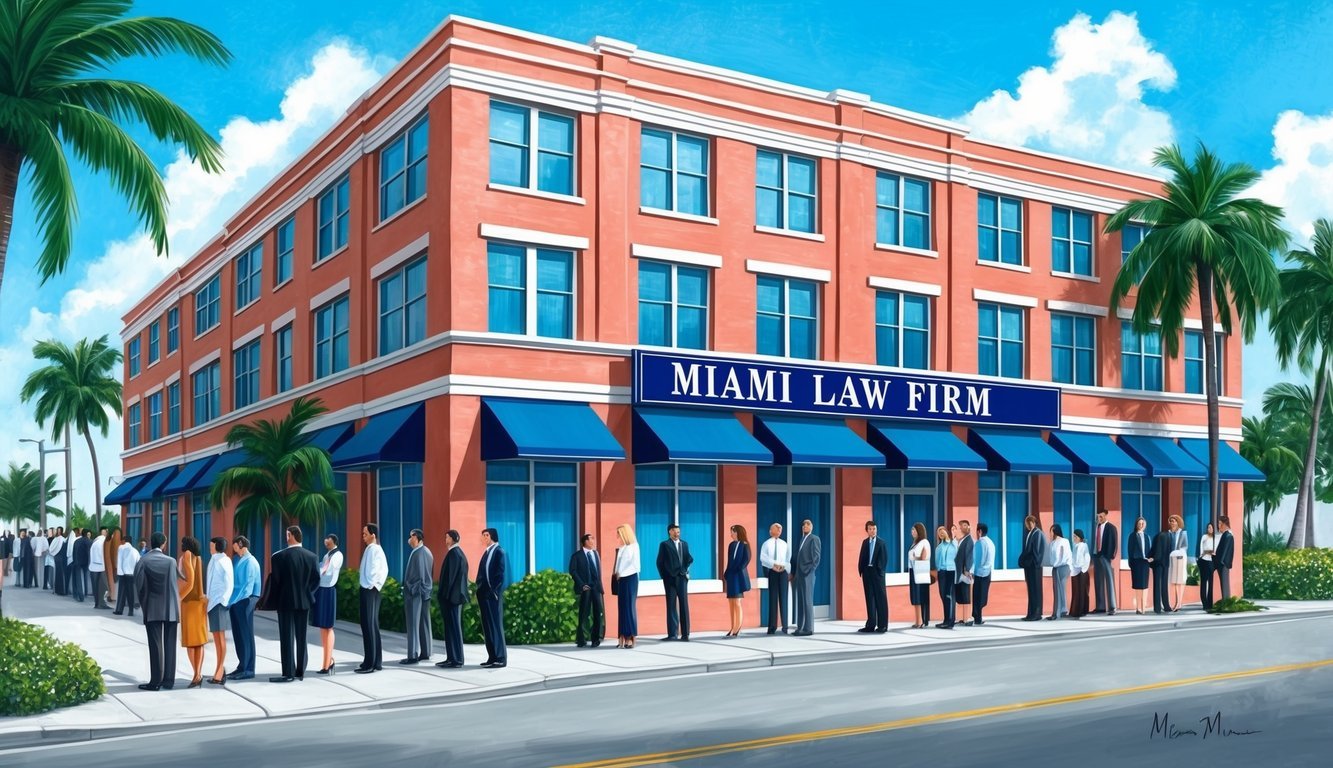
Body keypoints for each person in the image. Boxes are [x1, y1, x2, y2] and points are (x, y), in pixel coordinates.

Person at [270, 526, 320, 682]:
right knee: (302, 637)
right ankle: (301, 671)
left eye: (287, 534)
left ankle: (288, 672)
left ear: (290, 536)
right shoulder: (312, 557)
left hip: (284, 602)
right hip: (304, 602)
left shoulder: (278, 557)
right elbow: (316, 579)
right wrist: (307, 594)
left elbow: (275, 583)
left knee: (286, 638)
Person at [133, 532, 180, 691]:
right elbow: (174, 585)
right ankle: (168, 680)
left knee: (155, 645)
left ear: (151, 543)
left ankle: (155, 682)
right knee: (170, 644)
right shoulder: (171, 561)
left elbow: (138, 585)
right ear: (163, 544)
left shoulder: (143, 560)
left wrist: (144, 603)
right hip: (171, 608)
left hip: (152, 607)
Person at [355, 524, 388, 674]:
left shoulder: (375, 549)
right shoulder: (372, 549)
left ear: (373, 535)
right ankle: (373, 661)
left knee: (369, 625)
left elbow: (378, 570)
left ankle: (371, 664)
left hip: (370, 590)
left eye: (365, 533)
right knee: (370, 625)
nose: (363, 536)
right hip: (369, 589)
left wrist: (370, 585)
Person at [227, 536, 261, 680]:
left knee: (246, 634)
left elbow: (248, 586)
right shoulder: (236, 560)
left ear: (240, 544)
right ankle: (242, 665)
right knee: (238, 635)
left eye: (235, 545)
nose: (233, 548)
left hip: (246, 600)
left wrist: (233, 601)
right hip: (235, 601)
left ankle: (248, 669)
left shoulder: (251, 561)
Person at [400, 528, 434, 665]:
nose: (409, 539)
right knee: (424, 623)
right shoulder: (425, 552)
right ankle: (425, 652)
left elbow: (422, 575)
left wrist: (412, 589)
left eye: (410, 536)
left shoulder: (420, 553)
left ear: (416, 537)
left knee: (413, 624)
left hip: (416, 594)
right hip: (422, 593)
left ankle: (412, 655)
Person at [435, 530, 469, 668]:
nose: (445, 540)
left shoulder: (454, 554)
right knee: (450, 628)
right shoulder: (455, 553)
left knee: (454, 629)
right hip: (452, 599)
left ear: (454, 539)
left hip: (451, 599)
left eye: (447, 537)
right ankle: (451, 658)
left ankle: (457, 659)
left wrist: (444, 596)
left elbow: (450, 579)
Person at [177, 536, 207, 688]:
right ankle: (197, 673)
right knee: (198, 642)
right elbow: (199, 584)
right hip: (198, 603)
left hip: (189, 603)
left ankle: (196, 675)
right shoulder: (199, 558)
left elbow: (190, 581)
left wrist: (179, 598)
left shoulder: (187, 555)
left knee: (190, 642)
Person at [476, 527, 509, 666]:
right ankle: (492, 656)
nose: (483, 537)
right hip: (484, 595)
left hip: (493, 595)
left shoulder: (499, 552)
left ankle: (500, 658)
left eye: (486, 535)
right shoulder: (486, 552)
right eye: (483, 535)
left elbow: (500, 573)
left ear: (492, 536)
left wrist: (494, 591)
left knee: (495, 626)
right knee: (487, 627)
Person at [655, 523, 693, 642]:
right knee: (671, 606)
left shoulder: (684, 544)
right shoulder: (664, 545)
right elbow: (659, 562)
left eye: (678, 532)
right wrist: (665, 576)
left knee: (684, 605)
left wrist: (686, 570)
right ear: (670, 532)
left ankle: (685, 634)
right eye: (675, 531)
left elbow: (689, 558)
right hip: (670, 580)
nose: (677, 533)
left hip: (682, 579)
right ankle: (672, 634)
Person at [205, 537, 233, 685]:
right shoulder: (213, 560)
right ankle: (219, 670)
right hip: (211, 603)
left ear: (217, 546)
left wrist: (223, 601)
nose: (210, 547)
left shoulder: (224, 561)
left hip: (218, 604)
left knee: (220, 638)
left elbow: (229, 582)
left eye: (211, 545)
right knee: (216, 637)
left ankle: (220, 672)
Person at [568, 533, 604, 648]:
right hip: (585, 588)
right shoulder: (577, 556)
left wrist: (599, 586)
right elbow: (573, 571)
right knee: (584, 614)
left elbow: (598, 571)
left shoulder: (595, 554)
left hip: (596, 588)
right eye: (591, 539)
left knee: (597, 613)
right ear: (585, 542)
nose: (593, 541)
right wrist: (582, 585)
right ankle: (581, 639)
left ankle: (596, 639)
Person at [313, 534, 342, 674]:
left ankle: (328, 663)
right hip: (322, 590)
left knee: (328, 626)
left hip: (328, 590)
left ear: (334, 541)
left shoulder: (337, 555)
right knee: (323, 627)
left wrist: (317, 572)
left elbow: (327, 570)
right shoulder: (327, 555)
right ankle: (326, 662)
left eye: (328, 539)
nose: (325, 541)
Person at [858, 521, 889, 633]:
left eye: (874, 528)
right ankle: (870, 625)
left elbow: (884, 559)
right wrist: (861, 570)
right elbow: (862, 556)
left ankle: (883, 625)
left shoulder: (881, 543)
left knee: (881, 599)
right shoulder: (865, 542)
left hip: (877, 573)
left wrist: (880, 570)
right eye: (870, 529)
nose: (873, 531)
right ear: (867, 530)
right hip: (867, 573)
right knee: (869, 599)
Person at [759, 523, 791, 634]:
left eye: (780, 529)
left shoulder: (784, 544)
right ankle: (772, 627)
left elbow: (788, 558)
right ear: (771, 531)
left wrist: (784, 567)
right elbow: (763, 558)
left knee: (784, 599)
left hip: (783, 573)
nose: (778, 530)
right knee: (772, 599)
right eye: (775, 529)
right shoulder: (766, 544)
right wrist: (774, 565)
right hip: (772, 572)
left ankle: (785, 626)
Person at [792, 519, 821, 636]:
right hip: (799, 575)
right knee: (800, 601)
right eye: (803, 524)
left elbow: (816, 557)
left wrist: (809, 570)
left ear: (811, 527)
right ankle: (800, 627)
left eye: (807, 524)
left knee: (807, 601)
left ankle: (808, 628)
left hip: (807, 574)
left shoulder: (814, 538)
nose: (804, 526)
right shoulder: (802, 539)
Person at [612, 524, 639, 648]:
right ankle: (621, 636)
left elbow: (634, 565)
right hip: (621, 580)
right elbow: (618, 564)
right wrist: (617, 574)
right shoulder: (622, 548)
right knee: (622, 609)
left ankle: (630, 637)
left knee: (629, 608)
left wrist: (620, 573)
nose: (617, 536)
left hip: (630, 579)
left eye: (619, 533)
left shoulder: (634, 547)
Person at [723, 524, 751, 637]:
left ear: (738, 532)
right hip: (731, 576)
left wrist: (738, 568)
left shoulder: (745, 545)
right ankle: (732, 626)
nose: (731, 534)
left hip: (738, 576)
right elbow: (729, 560)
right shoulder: (731, 545)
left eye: (732, 532)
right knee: (731, 602)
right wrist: (727, 572)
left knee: (737, 602)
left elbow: (746, 559)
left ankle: (737, 628)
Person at [1018, 516, 1046, 621]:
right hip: (1029, 567)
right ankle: (1030, 613)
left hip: (1035, 567)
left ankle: (1037, 613)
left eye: (1028, 523)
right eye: (1026, 523)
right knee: (1031, 590)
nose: (1027, 525)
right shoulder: (1029, 533)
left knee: (1036, 590)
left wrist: (1030, 563)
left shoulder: (1037, 533)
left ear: (1033, 522)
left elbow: (1037, 553)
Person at [1091, 509, 1118, 615]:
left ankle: (1112, 607)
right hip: (1096, 556)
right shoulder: (1097, 527)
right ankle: (1100, 607)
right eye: (1098, 516)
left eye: (1101, 516)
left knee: (1109, 581)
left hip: (1106, 557)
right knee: (1098, 582)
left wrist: (1110, 556)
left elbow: (1114, 544)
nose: (1099, 518)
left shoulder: (1111, 528)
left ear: (1106, 515)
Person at [907, 522, 931, 629]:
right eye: (912, 530)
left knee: (919, 597)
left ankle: (921, 621)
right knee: (915, 597)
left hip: (920, 572)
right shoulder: (915, 543)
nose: (912, 532)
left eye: (914, 530)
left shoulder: (924, 542)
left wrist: (914, 558)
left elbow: (924, 557)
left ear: (919, 531)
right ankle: (917, 620)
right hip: (913, 571)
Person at [934, 525, 958, 629]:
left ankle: (950, 621)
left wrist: (953, 537)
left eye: (942, 530)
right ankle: (945, 619)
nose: (941, 533)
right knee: (943, 595)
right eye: (939, 532)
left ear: (946, 531)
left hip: (951, 572)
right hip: (942, 572)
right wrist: (938, 569)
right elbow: (936, 560)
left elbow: (957, 552)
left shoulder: (953, 544)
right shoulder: (939, 547)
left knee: (949, 596)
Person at [1047, 524, 1071, 620]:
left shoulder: (1064, 541)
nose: (1050, 533)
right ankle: (1060, 611)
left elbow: (1063, 555)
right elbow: (1051, 556)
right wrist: (1053, 564)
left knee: (1060, 589)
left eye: (1051, 531)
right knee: (1057, 590)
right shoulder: (1052, 543)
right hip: (1055, 568)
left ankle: (1058, 613)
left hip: (1063, 567)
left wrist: (1056, 564)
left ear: (1056, 531)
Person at [1128, 517, 1152, 614]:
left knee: (1144, 586)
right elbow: (1129, 550)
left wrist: (1150, 558)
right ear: (1136, 524)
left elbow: (1150, 550)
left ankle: (1144, 608)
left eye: (1143, 523)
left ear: (1145, 525)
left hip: (1145, 562)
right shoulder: (1132, 536)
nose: (1141, 525)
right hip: (1136, 562)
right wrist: (1131, 562)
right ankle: (1138, 608)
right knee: (1137, 586)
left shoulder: (1147, 536)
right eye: (1139, 523)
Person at [1149, 520, 1173, 615]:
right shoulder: (1169, 537)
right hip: (1166, 563)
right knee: (1164, 586)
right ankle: (1166, 606)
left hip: (1158, 563)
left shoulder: (1159, 536)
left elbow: (1157, 551)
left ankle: (1157, 607)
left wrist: (1153, 559)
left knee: (1157, 586)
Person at [114, 534, 141, 615]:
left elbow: (119, 561)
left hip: (123, 574)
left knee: (121, 593)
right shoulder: (135, 551)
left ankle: (119, 610)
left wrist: (119, 573)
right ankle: (131, 611)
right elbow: (138, 562)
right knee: (130, 592)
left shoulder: (121, 548)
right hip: (132, 574)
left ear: (124, 541)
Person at [954, 520, 974, 626]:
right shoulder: (962, 539)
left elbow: (969, 556)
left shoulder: (969, 540)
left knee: (966, 595)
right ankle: (963, 618)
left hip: (964, 572)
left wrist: (967, 570)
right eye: (961, 526)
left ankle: (967, 619)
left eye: (964, 525)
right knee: (961, 595)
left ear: (969, 527)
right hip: (959, 572)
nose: (962, 527)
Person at [1167, 515, 1188, 611]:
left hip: (1180, 558)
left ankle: (1179, 603)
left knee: (1180, 581)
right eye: (1171, 521)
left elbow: (1185, 546)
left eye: (1174, 521)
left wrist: (1178, 552)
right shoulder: (1169, 534)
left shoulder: (1183, 533)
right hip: (1172, 559)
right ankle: (1176, 602)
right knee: (1174, 581)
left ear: (1178, 522)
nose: (1172, 523)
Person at [1069, 529, 1091, 619]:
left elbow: (1087, 558)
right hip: (1075, 571)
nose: (1074, 538)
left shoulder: (1084, 546)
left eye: (1075, 536)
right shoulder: (1075, 546)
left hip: (1082, 572)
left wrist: (1083, 570)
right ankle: (1075, 610)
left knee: (1082, 592)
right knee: (1076, 591)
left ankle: (1081, 611)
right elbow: (1073, 559)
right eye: (1073, 536)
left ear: (1080, 538)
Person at [1197, 523, 1217, 612]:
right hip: (1204, 561)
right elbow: (1202, 550)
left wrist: (1210, 552)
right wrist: (1208, 552)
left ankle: (1210, 603)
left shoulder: (1215, 539)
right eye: (1208, 527)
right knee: (1204, 582)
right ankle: (1204, 603)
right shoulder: (1204, 537)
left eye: (1211, 527)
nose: (1210, 529)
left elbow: (1215, 551)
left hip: (1211, 562)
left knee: (1211, 583)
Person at [1215, 516, 1235, 603]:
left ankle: (1226, 600)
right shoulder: (1225, 535)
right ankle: (1225, 599)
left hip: (1223, 563)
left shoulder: (1228, 535)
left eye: (1220, 523)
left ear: (1224, 524)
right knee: (1223, 583)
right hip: (1222, 563)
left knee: (1224, 583)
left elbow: (1225, 551)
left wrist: (1221, 561)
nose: (1218, 525)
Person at [89, 527, 109, 608]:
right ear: (104, 532)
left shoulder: (95, 542)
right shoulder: (104, 542)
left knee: (96, 586)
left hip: (93, 566)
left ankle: (97, 603)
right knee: (103, 586)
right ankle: (101, 603)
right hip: (102, 567)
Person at [71, 529, 91, 602]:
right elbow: (89, 553)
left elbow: (73, 552)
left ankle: (78, 595)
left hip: (76, 562)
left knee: (78, 579)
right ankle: (85, 593)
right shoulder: (88, 541)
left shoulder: (76, 541)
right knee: (85, 578)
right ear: (87, 534)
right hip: (85, 562)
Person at [50, 527, 66, 596]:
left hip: (61, 557)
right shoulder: (55, 539)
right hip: (57, 557)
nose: (59, 532)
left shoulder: (63, 539)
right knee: (57, 573)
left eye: (60, 531)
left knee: (60, 574)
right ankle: (57, 589)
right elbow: (51, 548)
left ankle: (61, 590)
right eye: (58, 530)